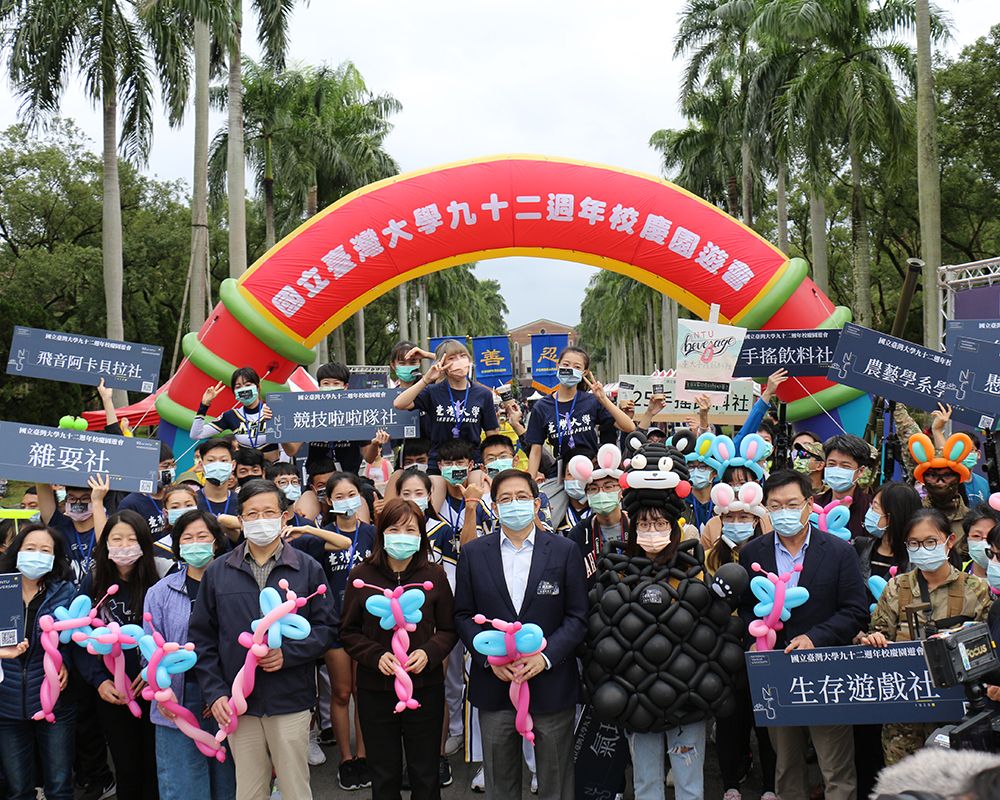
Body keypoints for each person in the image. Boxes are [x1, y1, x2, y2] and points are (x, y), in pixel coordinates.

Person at [188, 479, 336, 800]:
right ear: (240, 521)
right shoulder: (218, 572)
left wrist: (290, 653)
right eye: (251, 514)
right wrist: (215, 694)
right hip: (238, 705)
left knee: (295, 788)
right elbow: (202, 640)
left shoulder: (306, 568)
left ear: (285, 518)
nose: (260, 520)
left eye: (269, 512)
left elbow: (326, 629)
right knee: (250, 791)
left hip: (290, 699)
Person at [453, 469, 588, 800]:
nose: (514, 505)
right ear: (495, 508)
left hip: (551, 683)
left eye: (522, 497)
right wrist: (487, 658)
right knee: (500, 780)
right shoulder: (473, 553)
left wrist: (544, 657)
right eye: (505, 499)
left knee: (556, 779)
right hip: (495, 683)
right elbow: (463, 615)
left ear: (537, 502)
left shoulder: (563, 550)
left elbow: (578, 616)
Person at [737, 470, 869, 800]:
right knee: (786, 764)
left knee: (836, 768)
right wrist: (753, 640)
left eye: (792, 503)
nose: (784, 512)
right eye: (776, 505)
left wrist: (816, 637)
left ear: (809, 504)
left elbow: (855, 611)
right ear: (766, 508)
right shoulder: (753, 553)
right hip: (777, 673)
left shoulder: (839, 552)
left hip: (825, 673)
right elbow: (743, 611)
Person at [342, 498, 458, 800]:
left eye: (410, 529)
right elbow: (348, 631)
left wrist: (429, 652)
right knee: (384, 774)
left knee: (425, 772)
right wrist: (375, 655)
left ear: (420, 535)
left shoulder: (434, 575)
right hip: (375, 690)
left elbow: (448, 629)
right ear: (381, 534)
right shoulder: (361, 577)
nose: (402, 535)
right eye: (394, 529)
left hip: (425, 687)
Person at [861, 508, 990, 764]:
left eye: (931, 542)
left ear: (948, 541)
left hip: (956, 711)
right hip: (904, 711)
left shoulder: (975, 589)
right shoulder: (897, 587)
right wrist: (872, 639)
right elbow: (878, 632)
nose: (923, 549)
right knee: (903, 782)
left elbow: (988, 650)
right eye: (915, 543)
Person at [286, 472, 373, 791]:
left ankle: (364, 755)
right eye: (339, 496)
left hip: (369, 626)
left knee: (363, 692)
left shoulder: (372, 533)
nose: (347, 500)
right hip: (335, 625)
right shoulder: (320, 537)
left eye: (352, 494)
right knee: (340, 692)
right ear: (329, 501)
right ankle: (346, 759)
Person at [143, 510, 236, 800]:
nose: (195, 543)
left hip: (225, 701)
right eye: (187, 538)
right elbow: (149, 651)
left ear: (216, 542)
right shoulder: (160, 592)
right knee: (183, 787)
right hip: (177, 701)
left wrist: (220, 692)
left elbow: (242, 644)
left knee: (229, 784)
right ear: (178, 545)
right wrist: (163, 694)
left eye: (203, 537)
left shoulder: (234, 585)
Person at [80, 510, 163, 800]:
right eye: (117, 539)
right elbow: (81, 640)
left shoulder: (159, 581)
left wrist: (154, 674)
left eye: (132, 539)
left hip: (154, 689)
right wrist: (100, 681)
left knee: (155, 767)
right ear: (105, 544)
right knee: (126, 768)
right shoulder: (93, 584)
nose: (124, 545)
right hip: (112, 693)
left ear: (144, 542)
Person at [704, 483, 777, 800]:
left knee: (767, 718)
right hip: (722, 649)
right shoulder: (708, 557)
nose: (738, 523)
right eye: (731, 517)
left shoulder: (767, 554)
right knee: (729, 718)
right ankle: (730, 783)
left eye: (745, 517)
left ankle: (771, 785)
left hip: (763, 646)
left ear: (757, 519)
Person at [0, 523, 77, 800]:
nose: (37, 555)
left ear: (55, 557)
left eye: (45, 550)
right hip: (6, 703)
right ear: (16, 551)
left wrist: (64, 661)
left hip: (54, 701)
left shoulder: (65, 591)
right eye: (30, 548)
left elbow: (73, 635)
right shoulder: (2, 586)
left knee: (59, 785)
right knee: (18, 787)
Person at [396, 468, 463, 776]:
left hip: (434, 622)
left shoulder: (443, 531)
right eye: (405, 493)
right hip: (397, 625)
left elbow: (449, 579)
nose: (412, 499)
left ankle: (438, 755)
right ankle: (407, 758)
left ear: (429, 496)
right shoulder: (390, 534)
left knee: (440, 686)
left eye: (418, 493)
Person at [524, 347, 635, 479]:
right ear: (557, 366)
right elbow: (535, 451)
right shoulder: (541, 407)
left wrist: (603, 399)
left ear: (584, 372)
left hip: (592, 472)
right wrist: (530, 486)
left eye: (577, 367)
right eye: (565, 365)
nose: (570, 369)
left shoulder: (592, 401)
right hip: (562, 474)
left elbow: (629, 427)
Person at [394, 339, 500, 468]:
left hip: (472, 462)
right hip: (439, 463)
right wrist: (426, 379)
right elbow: (399, 403)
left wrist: (492, 465)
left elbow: (492, 434)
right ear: (441, 364)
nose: (459, 362)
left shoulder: (483, 394)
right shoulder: (432, 391)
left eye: (463, 356)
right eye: (452, 358)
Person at [283, 361, 391, 477]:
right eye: (326, 383)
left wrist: (375, 444)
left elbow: (369, 458)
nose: (331, 388)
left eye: (336, 383)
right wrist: (279, 432)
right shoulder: (310, 413)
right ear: (319, 386)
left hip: (348, 481)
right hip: (318, 483)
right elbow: (291, 450)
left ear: (345, 387)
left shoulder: (356, 414)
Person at [567, 445, 626, 582]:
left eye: (609, 486)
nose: (601, 493)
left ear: (621, 491)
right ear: (587, 494)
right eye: (593, 489)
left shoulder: (636, 525)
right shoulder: (578, 534)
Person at [34, 481, 100, 587]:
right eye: (72, 498)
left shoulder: (104, 527)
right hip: (66, 597)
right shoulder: (60, 526)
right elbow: (41, 482)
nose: (78, 503)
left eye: (85, 499)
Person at [191, 367, 274, 450]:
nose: (244, 389)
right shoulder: (231, 416)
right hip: (244, 462)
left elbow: (285, 448)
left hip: (273, 462)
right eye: (238, 387)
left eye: (248, 385)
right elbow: (196, 435)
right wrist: (204, 405)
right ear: (234, 392)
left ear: (258, 387)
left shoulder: (273, 410)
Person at [854, 481, 920, 585]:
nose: (870, 512)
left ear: (893, 516)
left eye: (875, 507)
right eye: (871, 505)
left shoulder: (917, 563)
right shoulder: (859, 547)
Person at [435, 439, 493, 547]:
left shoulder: (482, 497)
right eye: (448, 463)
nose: (454, 468)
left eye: (459, 463)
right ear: (440, 466)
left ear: (470, 465)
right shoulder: (436, 500)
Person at [816, 433, 874, 541]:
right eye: (832, 464)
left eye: (845, 466)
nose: (837, 470)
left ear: (860, 471)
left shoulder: (871, 508)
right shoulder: (814, 505)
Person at [115, 440, 177, 541]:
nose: (171, 470)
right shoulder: (130, 503)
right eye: (165, 466)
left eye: (173, 465)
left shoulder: (174, 496)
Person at [194, 439, 240, 518]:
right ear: (201, 465)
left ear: (233, 465)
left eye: (223, 460)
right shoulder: (192, 502)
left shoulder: (241, 502)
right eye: (211, 460)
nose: (217, 465)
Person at [555, 446, 594, 534]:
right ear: (563, 477)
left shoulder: (599, 511)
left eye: (581, 474)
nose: (576, 479)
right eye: (570, 474)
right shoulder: (556, 513)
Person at [963, 504, 1000, 579]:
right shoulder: (959, 571)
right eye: (976, 536)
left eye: (991, 535)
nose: (984, 543)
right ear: (967, 538)